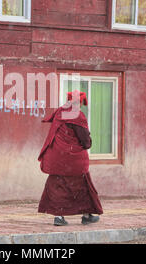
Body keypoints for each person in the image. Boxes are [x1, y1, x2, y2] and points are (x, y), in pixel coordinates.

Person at [37, 89, 103, 226]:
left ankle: (59, 217)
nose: (80, 106)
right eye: (80, 103)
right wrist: (88, 143)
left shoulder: (60, 112)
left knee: (57, 186)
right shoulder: (77, 116)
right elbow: (84, 139)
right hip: (73, 160)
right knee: (82, 186)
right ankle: (86, 215)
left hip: (57, 158)